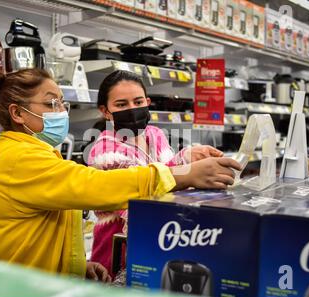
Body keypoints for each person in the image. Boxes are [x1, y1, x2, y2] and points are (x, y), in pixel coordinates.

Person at [0, 68, 242, 282]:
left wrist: (75, 267)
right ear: (18, 113)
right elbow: (97, 187)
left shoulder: (34, 152)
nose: (62, 111)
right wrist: (184, 174)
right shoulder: (20, 159)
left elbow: (40, 234)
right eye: (52, 103)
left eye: (62, 102)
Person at [87, 70, 231, 279]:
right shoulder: (104, 151)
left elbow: (168, 171)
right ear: (105, 111)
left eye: (138, 102)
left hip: (156, 246)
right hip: (116, 256)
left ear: (147, 102)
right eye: (121, 105)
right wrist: (189, 172)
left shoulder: (155, 135)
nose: (132, 109)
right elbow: (141, 196)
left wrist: (190, 156)